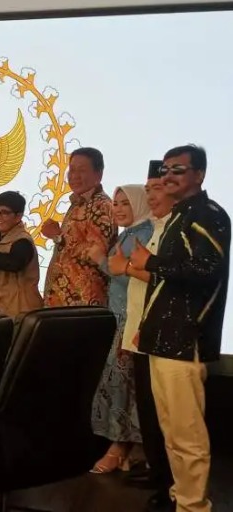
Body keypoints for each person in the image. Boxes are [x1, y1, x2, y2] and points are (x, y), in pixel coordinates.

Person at [130, 145, 230, 512]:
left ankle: (193, 506)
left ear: (199, 175)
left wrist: (151, 262)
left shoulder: (207, 214)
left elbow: (207, 270)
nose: (168, 176)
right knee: (172, 430)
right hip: (163, 337)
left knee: (187, 434)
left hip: (184, 339)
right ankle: (181, 498)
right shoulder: (181, 214)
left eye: (179, 170)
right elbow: (167, 285)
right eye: (165, 169)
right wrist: (148, 325)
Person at [111, 162, 175, 510]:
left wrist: (126, 267)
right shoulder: (153, 227)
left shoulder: (172, 229)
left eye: (157, 189)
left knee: (165, 412)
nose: (151, 196)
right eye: (148, 190)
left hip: (158, 332)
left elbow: (164, 278)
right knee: (148, 408)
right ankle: (157, 473)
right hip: (138, 327)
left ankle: (170, 485)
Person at [87, 185, 153, 474]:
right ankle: (131, 447)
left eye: (126, 203)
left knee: (123, 386)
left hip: (132, 321)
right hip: (120, 319)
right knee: (122, 385)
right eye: (116, 203)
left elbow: (138, 276)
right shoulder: (131, 232)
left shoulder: (145, 234)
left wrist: (101, 260)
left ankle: (121, 447)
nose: (118, 209)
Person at [42, 147, 117, 306]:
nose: (74, 176)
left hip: (84, 302)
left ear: (98, 174)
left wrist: (59, 237)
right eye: (72, 170)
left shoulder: (102, 205)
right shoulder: (78, 203)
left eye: (82, 170)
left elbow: (96, 254)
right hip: (63, 300)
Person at [0, 190, 42, 317]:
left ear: (18, 216)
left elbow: (14, 263)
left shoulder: (23, 240)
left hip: (20, 310)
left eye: (4, 213)